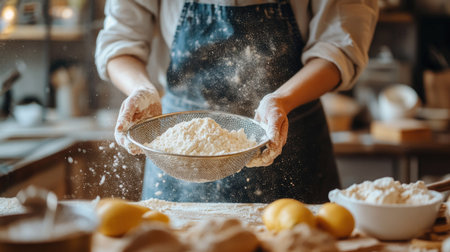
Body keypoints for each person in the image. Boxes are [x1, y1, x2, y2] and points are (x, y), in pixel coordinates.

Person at [95, 0, 378, 203]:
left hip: (285, 134)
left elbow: (340, 43)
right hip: (178, 151)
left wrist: (281, 100)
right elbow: (121, 39)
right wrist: (141, 89)